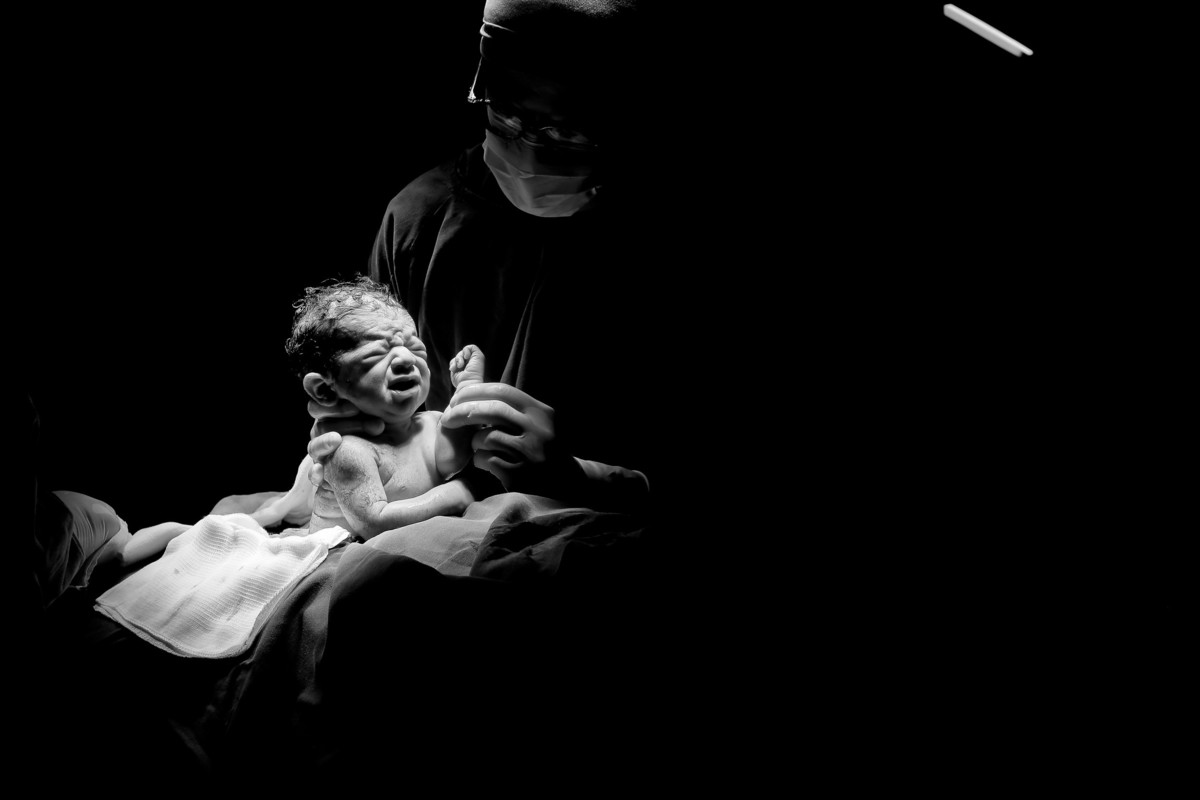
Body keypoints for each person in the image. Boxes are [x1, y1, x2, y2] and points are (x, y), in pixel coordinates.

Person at [305, 0, 666, 517]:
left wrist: (581, 479)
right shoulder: (418, 220)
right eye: (505, 112)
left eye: (566, 131)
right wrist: (359, 434)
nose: (529, 147)